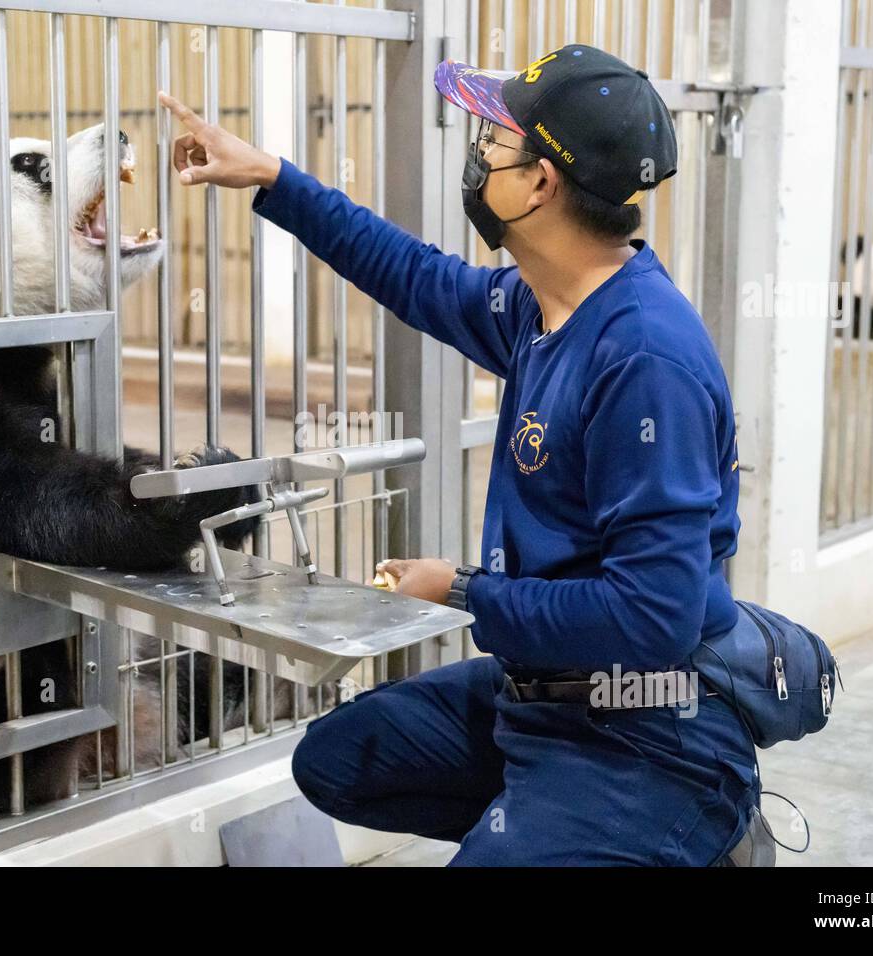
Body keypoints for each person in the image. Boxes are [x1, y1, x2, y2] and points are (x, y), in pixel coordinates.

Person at [158, 42, 759, 866]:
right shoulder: (540, 307)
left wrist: (467, 590)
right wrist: (271, 177)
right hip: (542, 696)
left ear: (542, 182)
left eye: (495, 141)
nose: (476, 156)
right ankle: (544, 826)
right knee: (337, 758)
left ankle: (680, 834)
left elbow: (655, 619)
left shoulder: (644, 360)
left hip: (644, 733)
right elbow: (414, 276)